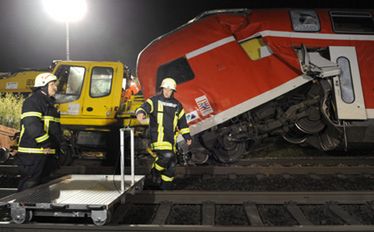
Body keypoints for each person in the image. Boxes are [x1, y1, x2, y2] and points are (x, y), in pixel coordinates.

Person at [136, 77, 192, 190]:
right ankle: (154, 172)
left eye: (169, 90)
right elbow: (143, 108)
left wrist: (187, 136)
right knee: (167, 156)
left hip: (171, 140)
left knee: (171, 164)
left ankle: (165, 188)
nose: (167, 92)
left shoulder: (177, 105)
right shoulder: (154, 100)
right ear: (162, 89)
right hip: (158, 138)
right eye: (165, 89)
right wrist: (140, 113)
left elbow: (183, 123)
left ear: (173, 91)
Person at [15, 72, 63, 191]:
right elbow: (32, 125)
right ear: (43, 86)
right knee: (30, 185)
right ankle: (20, 209)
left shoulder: (49, 104)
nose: (55, 88)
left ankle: (39, 210)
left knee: (44, 188)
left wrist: (60, 147)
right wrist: (45, 143)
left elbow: (54, 129)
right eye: (52, 84)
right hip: (33, 153)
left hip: (46, 154)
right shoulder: (32, 102)